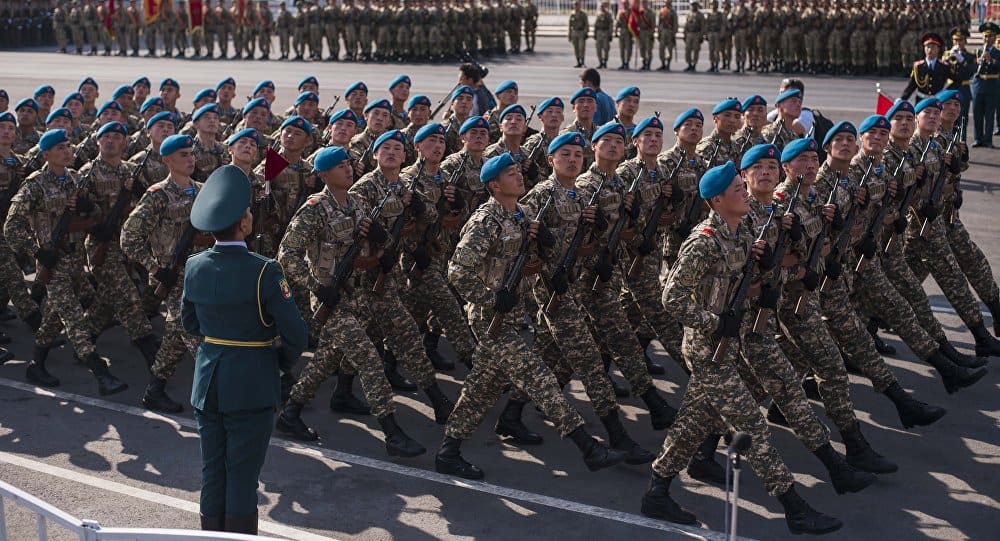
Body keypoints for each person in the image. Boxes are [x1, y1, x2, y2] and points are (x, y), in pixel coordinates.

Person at [641, 161, 842, 536]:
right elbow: (672, 298)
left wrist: (777, 274)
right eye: (737, 188)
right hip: (707, 350)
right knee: (752, 426)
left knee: (692, 424)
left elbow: (752, 278)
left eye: (742, 185)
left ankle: (657, 490)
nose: (745, 192)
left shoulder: (740, 234)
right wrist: (714, 322)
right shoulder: (704, 241)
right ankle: (794, 509)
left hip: (728, 346)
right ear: (717, 200)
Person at [182, 164, 308, 534]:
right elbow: (296, 333)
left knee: (212, 472)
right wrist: (280, 362)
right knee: (242, 476)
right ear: (242, 223)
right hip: (252, 381)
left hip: (208, 382)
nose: (252, 217)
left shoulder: (194, 265)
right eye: (249, 212)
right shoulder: (265, 270)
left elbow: (190, 324)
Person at [900, 32, 953, 102]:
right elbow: (911, 85)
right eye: (927, 47)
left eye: (933, 47)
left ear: (938, 49)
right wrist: (902, 99)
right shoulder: (918, 66)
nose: (930, 50)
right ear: (924, 48)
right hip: (921, 101)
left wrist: (945, 92)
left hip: (937, 101)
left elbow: (957, 80)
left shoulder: (944, 66)